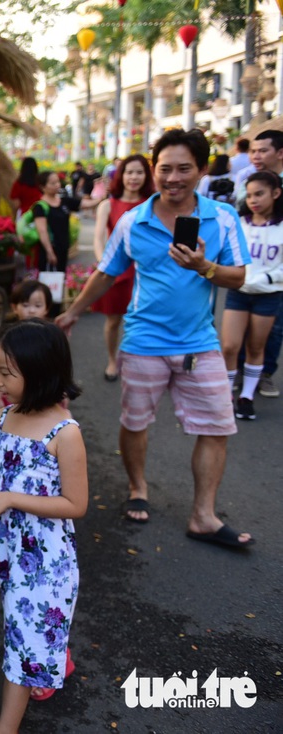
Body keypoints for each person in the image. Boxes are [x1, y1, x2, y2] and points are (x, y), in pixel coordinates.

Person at [55, 128, 254, 548]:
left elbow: (238, 276)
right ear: (153, 169)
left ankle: (203, 515)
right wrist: (72, 312)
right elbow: (107, 271)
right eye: (165, 168)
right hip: (143, 340)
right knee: (135, 422)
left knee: (217, 426)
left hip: (200, 343)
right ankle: (137, 488)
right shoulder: (133, 220)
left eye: (185, 168)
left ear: (201, 170)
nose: (173, 177)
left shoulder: (222, 218)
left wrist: (205, 267)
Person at [0, 319, 87, 733]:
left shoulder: (65, 433)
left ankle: (6, 727)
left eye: (6, 373)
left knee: (21, 638)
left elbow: (76, 504)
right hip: (8, 549)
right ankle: (56, 653)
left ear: (40, 373)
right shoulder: (2, 418)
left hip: (47, 560)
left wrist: (8, 498)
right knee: (28, 624)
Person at [221, 170, 283, 420]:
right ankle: (225, 395)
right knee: (229, 346)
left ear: (276, 193)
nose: (253, 200)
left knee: (256, 346)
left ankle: (246, 397)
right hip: (238, 292)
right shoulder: (239, 223)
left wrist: (267, 279)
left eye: (260, 194)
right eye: (249, 195)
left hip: (268, 295)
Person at [90, 155, 156, 381]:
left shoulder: (154, 204)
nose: (134, 177)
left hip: (148, 273)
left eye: (139, 172)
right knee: (114, 320)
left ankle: (142, 362)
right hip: (117, 272)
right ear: (120, 175)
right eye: (129, 172)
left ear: (146, 176)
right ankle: (112, 360)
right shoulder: (107, 205)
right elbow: (99, 238)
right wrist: (105, 266)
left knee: (146, 321)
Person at [0, 281, 55, 410]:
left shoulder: (52, 336)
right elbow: (0, 370)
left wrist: (63, 392)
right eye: (25, 305)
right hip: (12, 397)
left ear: (47, 308)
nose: (32, 311)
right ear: (14, 307)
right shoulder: (6, 339)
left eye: (38, 305)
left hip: (45, 396)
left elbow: (60, 365)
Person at [32, 171, 97, 275]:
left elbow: (85, 204)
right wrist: (49, 252)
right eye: (52, 183)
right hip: (49, 251)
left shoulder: (64, 201)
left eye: (57, 182)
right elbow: (42, 231)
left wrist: (102, 197)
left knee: (61, 277)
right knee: (49, 279)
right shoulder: (40, 207)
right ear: (43, 187)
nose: (57, 185)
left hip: (63, 249)